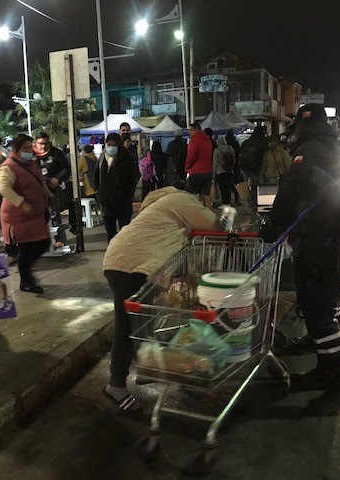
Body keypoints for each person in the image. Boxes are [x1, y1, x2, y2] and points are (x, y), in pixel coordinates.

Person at [260, 103, 340, 415]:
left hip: (329, 241)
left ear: (303, 125)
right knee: (312, 303)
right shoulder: (336, 146)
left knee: (320, 312)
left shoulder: (311, 150)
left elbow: (290, 189)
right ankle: (324, 370)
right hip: (333, 237)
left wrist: (272, 226)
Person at [102, 181, 224, 411]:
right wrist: (227, 217)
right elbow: (215, 225)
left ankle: (146, 366)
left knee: (141, 320)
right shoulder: (181, 199)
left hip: (125, 260)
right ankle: (116, 385)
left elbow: (170, 243)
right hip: (130, 264)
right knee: (128, 325)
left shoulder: (161, 204)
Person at [0, 133, 50, 294]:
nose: (29, 150)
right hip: (19, 215)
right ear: (15, 149)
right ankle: (26, 281)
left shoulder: (32, 164)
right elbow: (4, 188)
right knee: (27, 249)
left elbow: (40, 182)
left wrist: (49, 196)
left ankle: (26, 272)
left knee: (44, 243)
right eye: (25, 148)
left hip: (35, 214)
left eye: (30, 147)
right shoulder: (8, 167)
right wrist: (22, 203)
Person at [94, 133, 140, 242]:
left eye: (114, 145)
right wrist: (99, 193)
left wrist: (128, 195)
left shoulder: (127, 159)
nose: (111, 148)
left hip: (123, 202)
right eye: (109, 145)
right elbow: (96, 177)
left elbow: (134, 178)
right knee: (111, 235)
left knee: (124, 234)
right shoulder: (102, 159)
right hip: (107, 202)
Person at [33, 132, 71, 226]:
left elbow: (66, 168)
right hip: (36, 189)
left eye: (45, 143)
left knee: (54, 215)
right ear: (35, 143)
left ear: (49, 143)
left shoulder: (57, 153)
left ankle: (59, 238)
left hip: (52, 188)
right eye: (40, 143)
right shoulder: (31, 154)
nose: (43, 146)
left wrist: (57, 178)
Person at [239, 126, 268, 213]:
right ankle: (259, 206)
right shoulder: (263, 142)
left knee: (249, 188)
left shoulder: (246, 142)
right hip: (258, 169)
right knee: (259, 187)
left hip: (246, 169)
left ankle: (251, 206)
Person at [185, 122, 214, 208]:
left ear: (196, 130)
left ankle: (195, 216)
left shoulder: (194, 140)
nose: (189, 132)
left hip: (197, 172)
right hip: (208, 171)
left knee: (191, 195)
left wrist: (187, 167)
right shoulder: (208, 140)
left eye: (190, 130)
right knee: (206, 196)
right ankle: (210, 217)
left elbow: (191, 156)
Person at [213, 136, 236, 206]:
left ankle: (224, 201)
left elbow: (215, 162)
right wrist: (231, 167)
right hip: (229, 171)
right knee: (228, 186)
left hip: (220, 171)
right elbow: (234, 159)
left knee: (222, 187)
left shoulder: (217, 150)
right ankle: (228, 201)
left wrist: (214, 171)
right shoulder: (230, 148)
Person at [225, 130, 242, 206]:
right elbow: (238, 154)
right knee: (235, 183)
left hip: (225, 167)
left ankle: (227, 200)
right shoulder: (235, 143)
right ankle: (236, 199)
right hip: (235, 166)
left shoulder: (225, 144)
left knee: (226, 184)